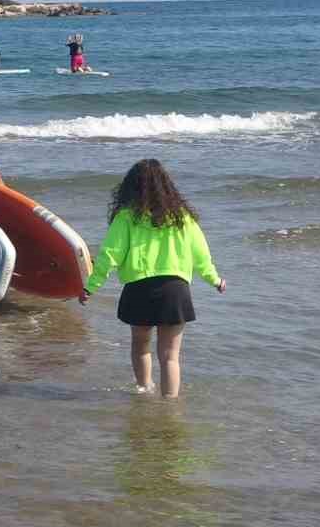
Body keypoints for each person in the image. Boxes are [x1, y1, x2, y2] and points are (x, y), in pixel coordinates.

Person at [78, 159, 227, 398]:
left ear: (130, 188)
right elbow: (201, 256)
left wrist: (91, 287)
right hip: (175, 290)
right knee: (170, 355)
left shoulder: (126, 217)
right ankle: (169, 404)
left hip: (139, 289)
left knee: (140, 345)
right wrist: (215, 280)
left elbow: (109, 256)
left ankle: (144, 390)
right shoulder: (183, 219)